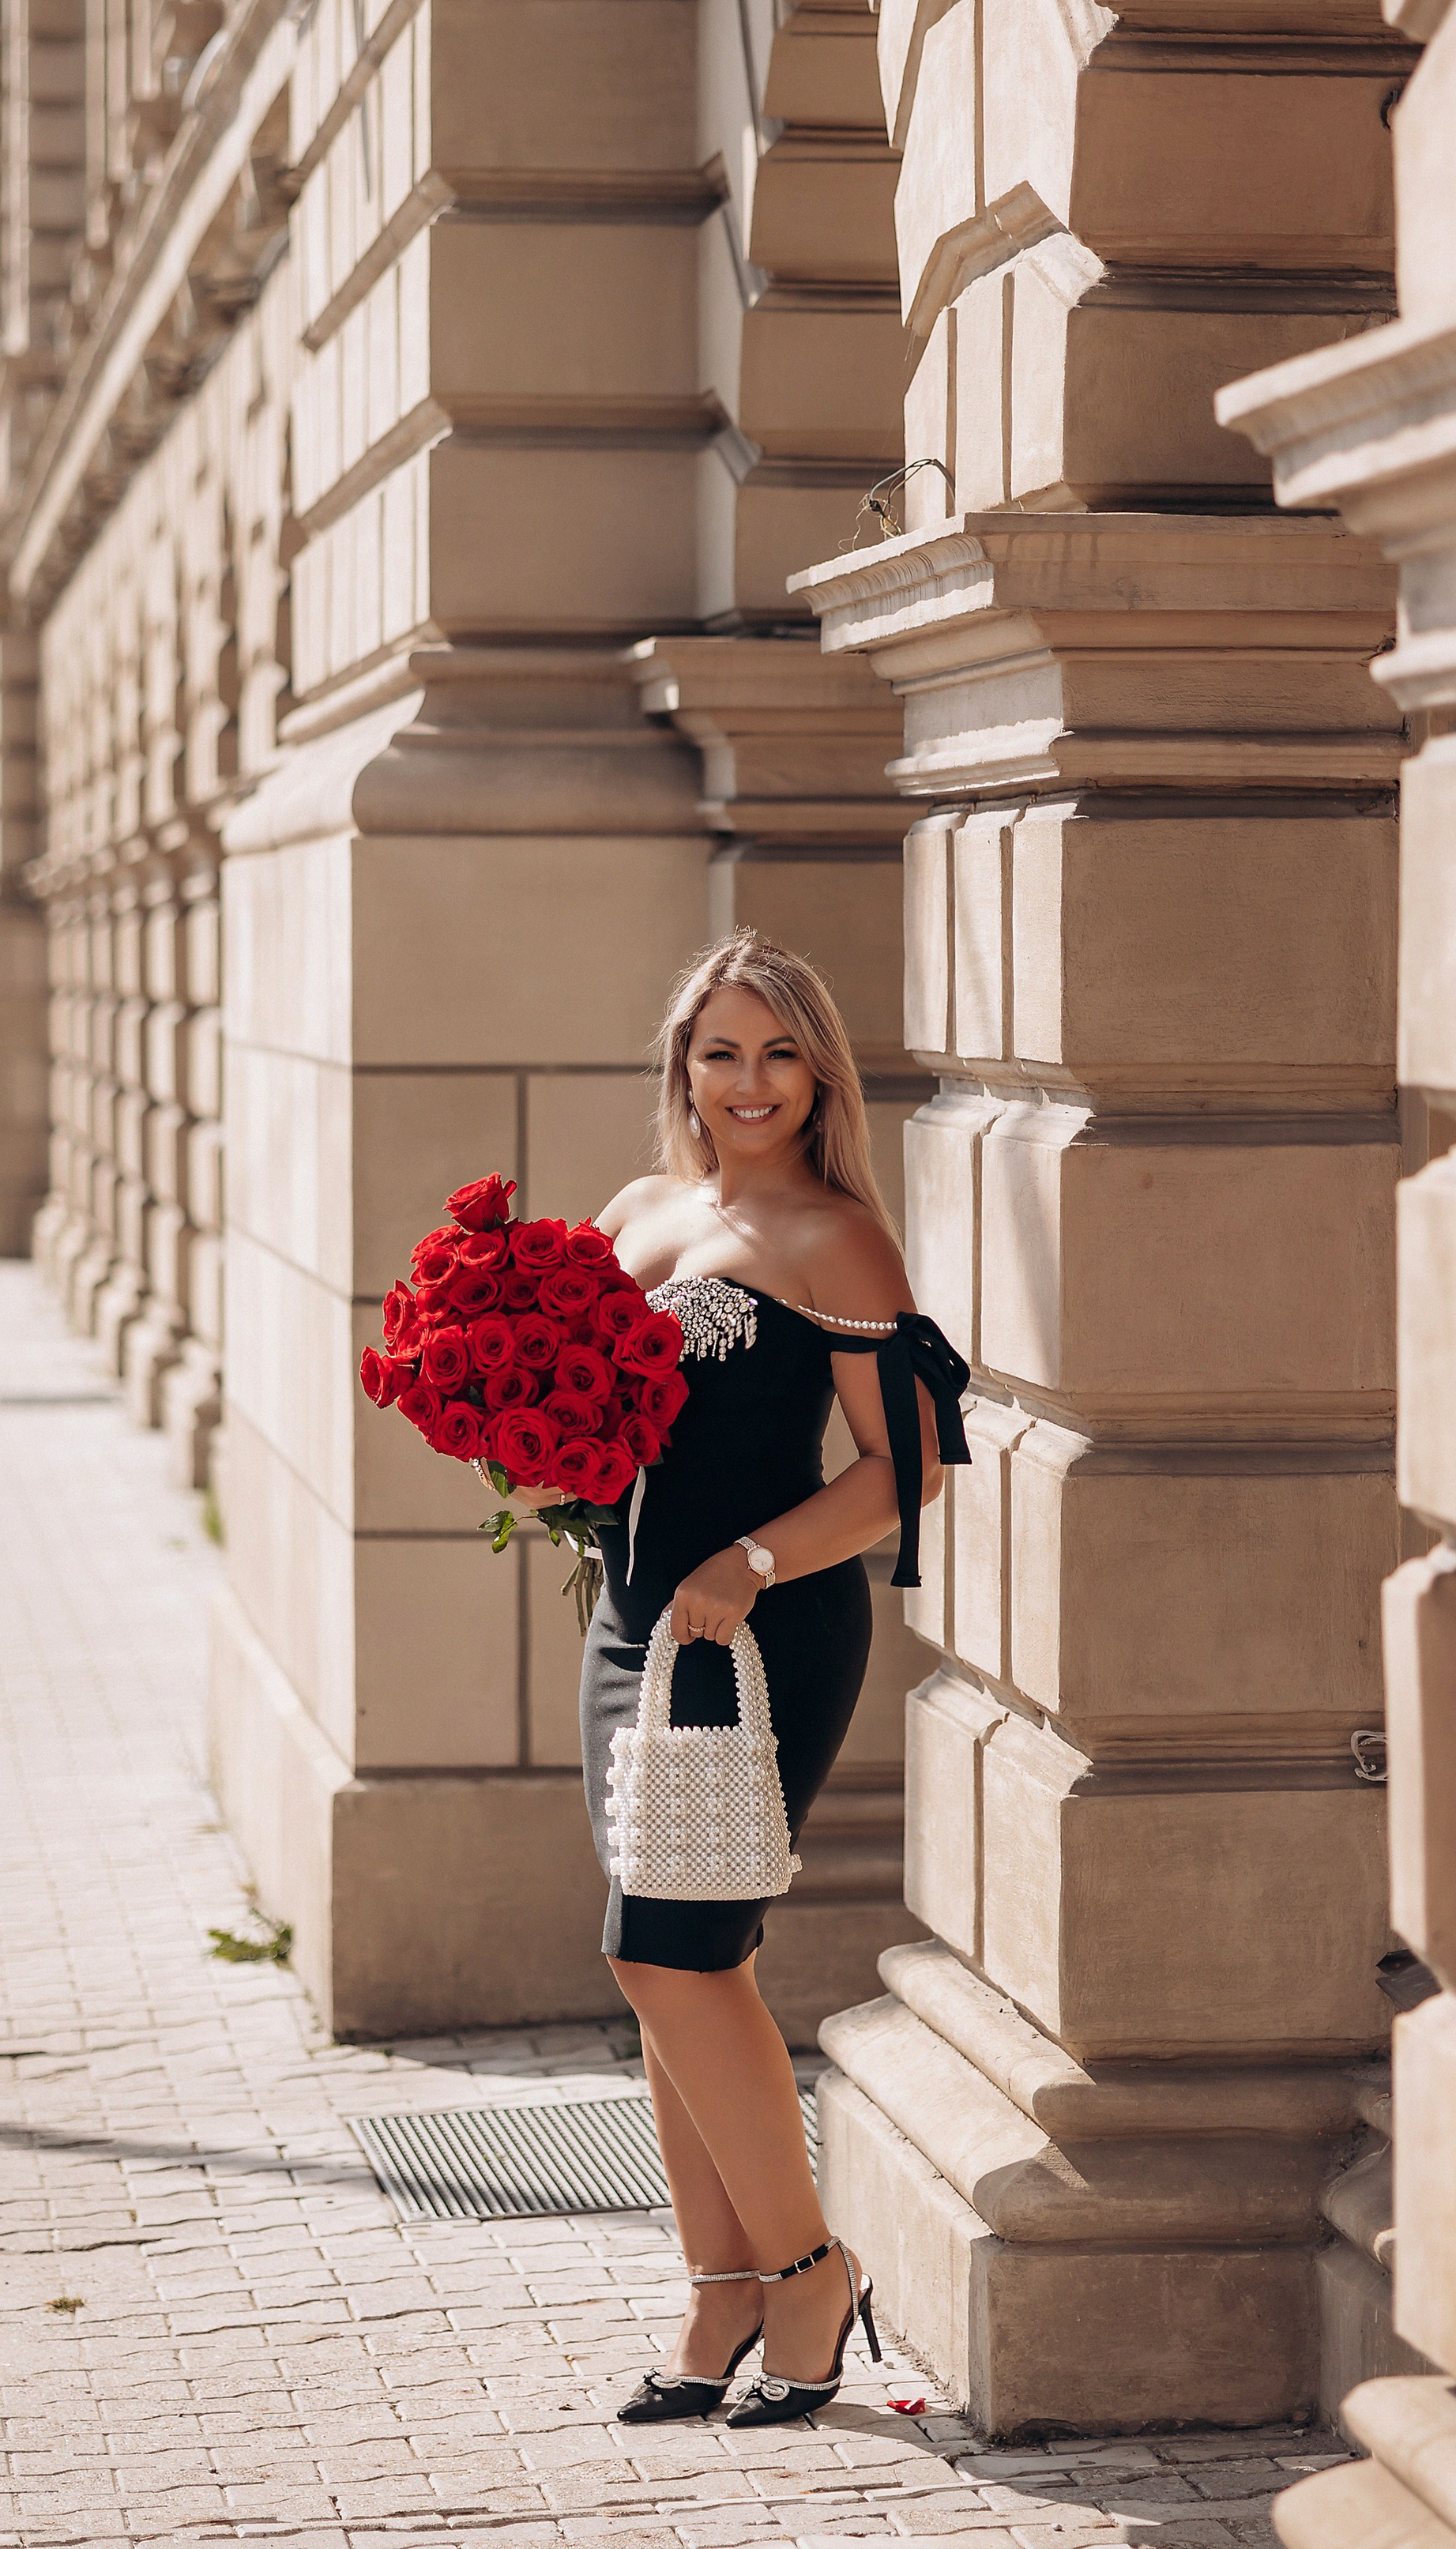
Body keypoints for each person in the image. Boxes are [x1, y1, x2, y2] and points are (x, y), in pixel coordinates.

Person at [512, 933, 968, 2426]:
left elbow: (909, 1473)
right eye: (723, 1050)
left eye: (779, 1051)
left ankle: (809, 2270)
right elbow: (570, 1397)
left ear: (819, 1067)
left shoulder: (838, 1239)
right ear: (683, 1066)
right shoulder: (637, 1213)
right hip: (629, 1622)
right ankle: (718, 2305)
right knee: (678, 1976)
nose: (750, 1080)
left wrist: (752, 1566)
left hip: (749, 1633)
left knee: (670, 1954)